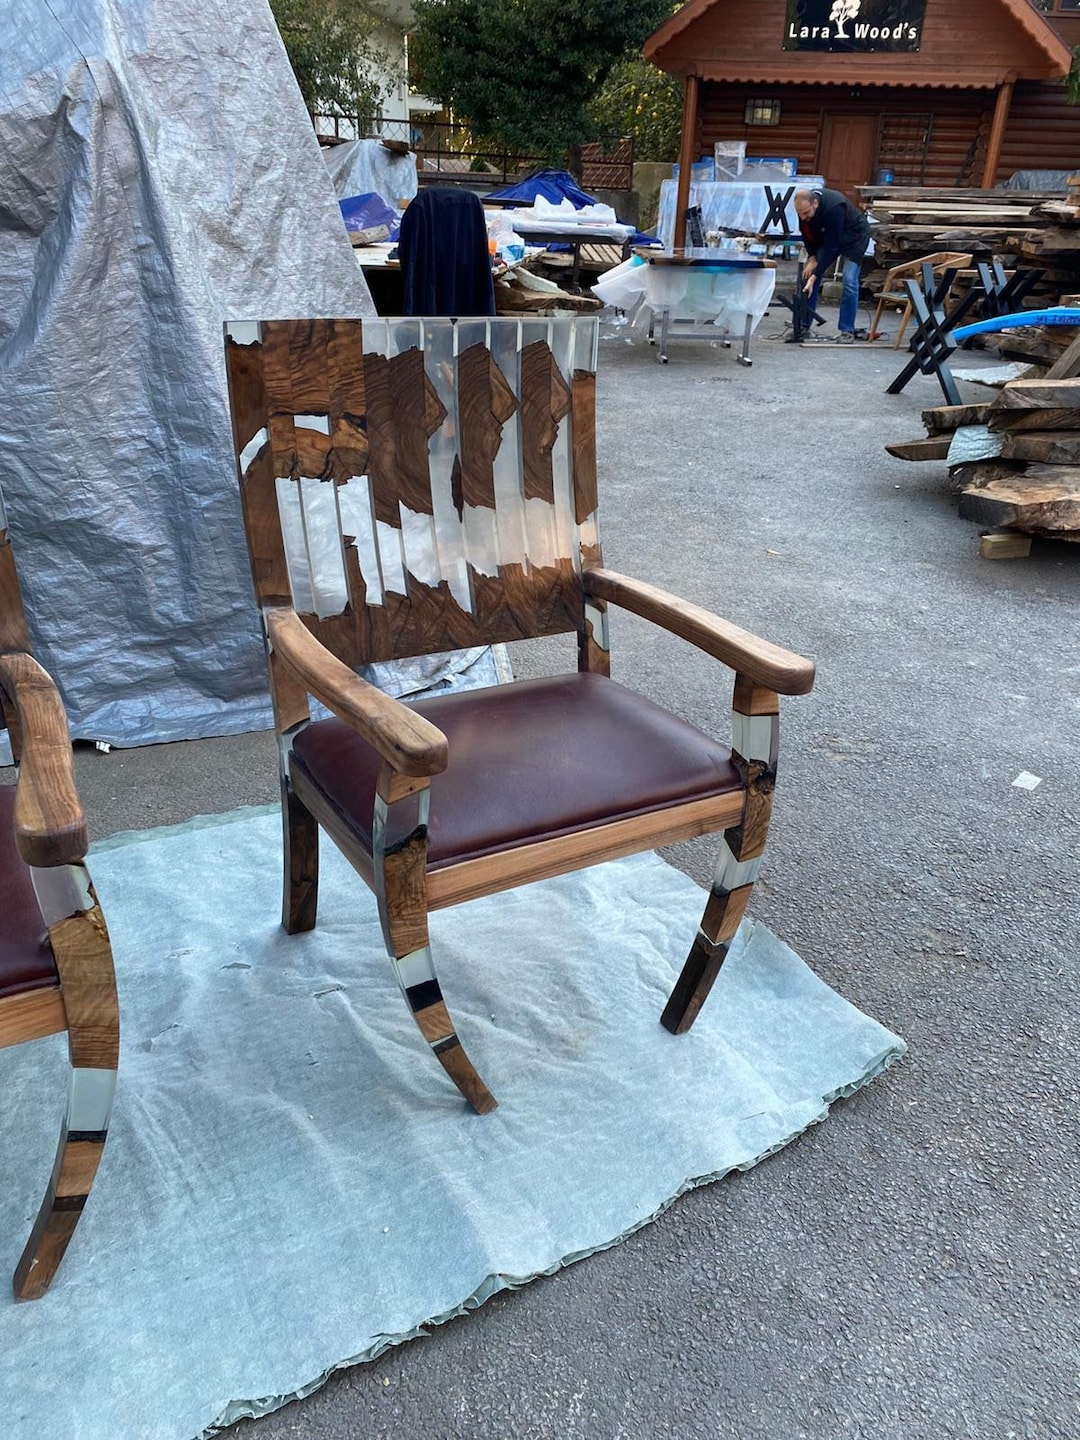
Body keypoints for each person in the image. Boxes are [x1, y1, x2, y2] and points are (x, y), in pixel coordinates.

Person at [793, 188, 872, 343]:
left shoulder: (835, 208)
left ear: (815, 204)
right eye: (799, 214)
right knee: (808, 276)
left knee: (849, 280)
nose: (802, 217)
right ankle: (803, 326)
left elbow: (832, 247)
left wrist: (816, 274)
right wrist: (812, 257)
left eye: (806, 213)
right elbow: (806, 234)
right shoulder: (803, 209)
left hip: (855, 237)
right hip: (829, 236)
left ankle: (847, 330)